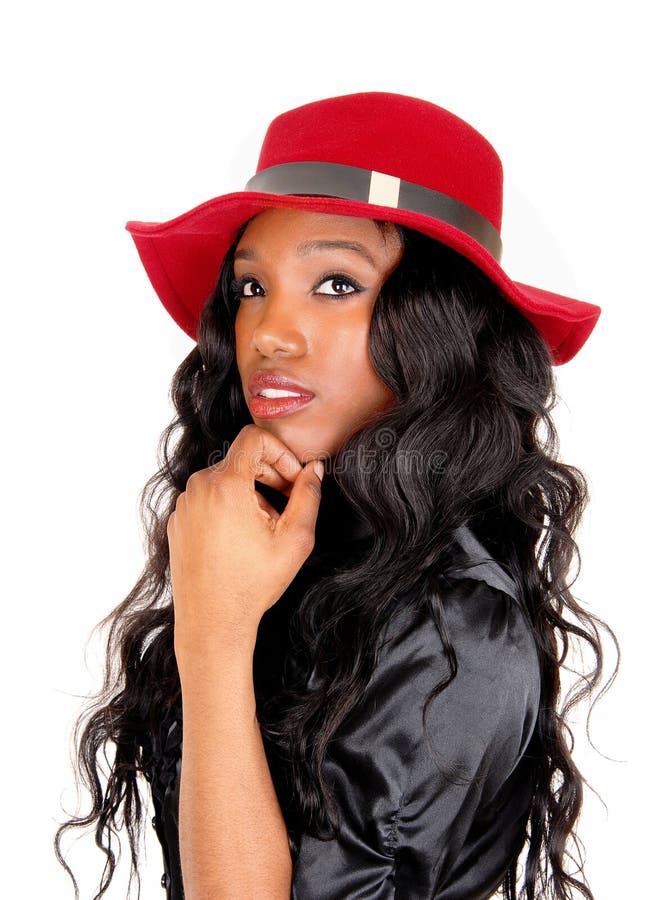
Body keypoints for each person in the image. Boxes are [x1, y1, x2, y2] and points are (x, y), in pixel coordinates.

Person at [54, 92, 615, 899]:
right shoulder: (280, 550)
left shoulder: (453, 626)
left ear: (437, 324)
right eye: (250, 289)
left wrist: (213, 636)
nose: (271, 333)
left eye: (335, 283)